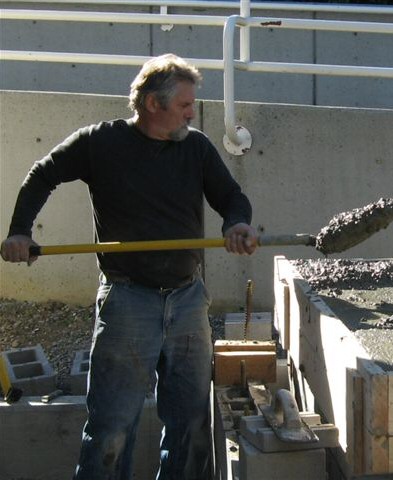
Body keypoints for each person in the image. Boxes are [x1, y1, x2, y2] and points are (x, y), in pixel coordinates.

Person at [1, 53, 258, 479]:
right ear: (152, 105)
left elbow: (232, 196)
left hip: (188, 300)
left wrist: (238, 223)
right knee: (112, 430)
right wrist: (20, 232)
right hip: (128, 302)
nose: (193, 113)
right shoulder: (99, 143)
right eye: (184, 105)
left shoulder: (195, 147)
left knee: (191, 427)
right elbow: (42, 174)